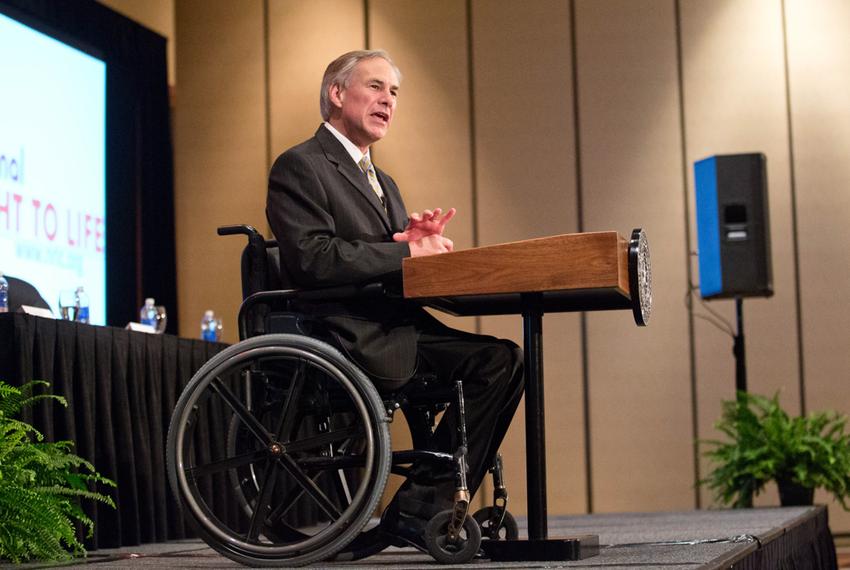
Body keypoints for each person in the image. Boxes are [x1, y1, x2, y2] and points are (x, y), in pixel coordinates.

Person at [266, 49, 524, 550]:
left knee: (505, 359)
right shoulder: (300, 166)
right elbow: (312, 258)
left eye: (394, 93)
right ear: (337, 94)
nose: (388, 101)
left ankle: (421, 504)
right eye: (376, 87)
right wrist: (401, 252)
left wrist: (416, 246)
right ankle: (423, 506)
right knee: (499, 362)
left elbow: (384, 257)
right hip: (345, 328)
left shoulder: (384, 181)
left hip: (396, 320)